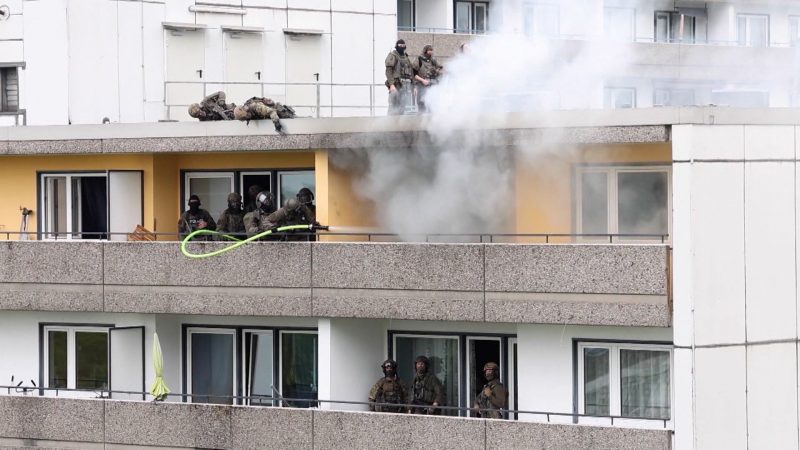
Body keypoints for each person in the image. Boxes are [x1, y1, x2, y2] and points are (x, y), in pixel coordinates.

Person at [385, 39, 414, 115]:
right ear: (396, 46)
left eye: (403, 45)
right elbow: (388, 71)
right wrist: (391, 84)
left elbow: (411, 72)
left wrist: (414, 86)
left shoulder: (406, 57)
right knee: (393, 105)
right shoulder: (393, 55)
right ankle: (389, 124)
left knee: (403, 106)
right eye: (400, 45)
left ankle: (398, 124)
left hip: (406, 85)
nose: (402, 47)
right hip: (396, 85)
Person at [412, 45, 443, 113]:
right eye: (429, 50)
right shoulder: (419, 59)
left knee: (431, 105)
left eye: (432, 50)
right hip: (421, 85)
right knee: (421, 104)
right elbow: (414, 74)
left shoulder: (433, 60)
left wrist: (437, 71)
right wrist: (423, 80)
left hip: (431, 86)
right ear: (425, 51)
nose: (431, 52)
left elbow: (439, 68)